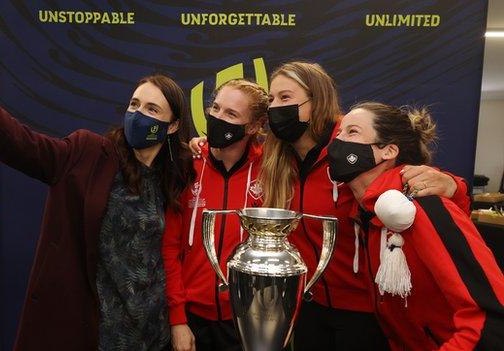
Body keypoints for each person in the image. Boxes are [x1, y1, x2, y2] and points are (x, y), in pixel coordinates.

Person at [0, 8, 194, 351]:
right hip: (96, 333)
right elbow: (11, 140)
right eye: (134, 104)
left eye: (152, 110)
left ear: (172, 125)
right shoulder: (88, 154)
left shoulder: (179, 173)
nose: (137, 115)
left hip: (154, 333)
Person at [191, 60, 469, 350]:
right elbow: (238, 152)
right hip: (307, 305)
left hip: (366, 310)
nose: (275, 107)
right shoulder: (276, 159)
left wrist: (453, 186)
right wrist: (203, 146)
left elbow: (405, 175)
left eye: (286, 98)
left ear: (317, 100)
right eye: (271, 99)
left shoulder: (351, 149)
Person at [328, 101, 504, 350]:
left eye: (352, 132)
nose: (337, 142)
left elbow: (488, 319)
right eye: (339, 134)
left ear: (388, 151)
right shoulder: (365, 213)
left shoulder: (425, 207)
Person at [162, 79, 268, 351]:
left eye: (231, 114)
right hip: (191, 319)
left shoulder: (271, 169)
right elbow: (170, 247)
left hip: (248, 319)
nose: (219, 118)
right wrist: (177, 320)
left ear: (254, 126)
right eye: (216, 109)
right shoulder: (189, 164)